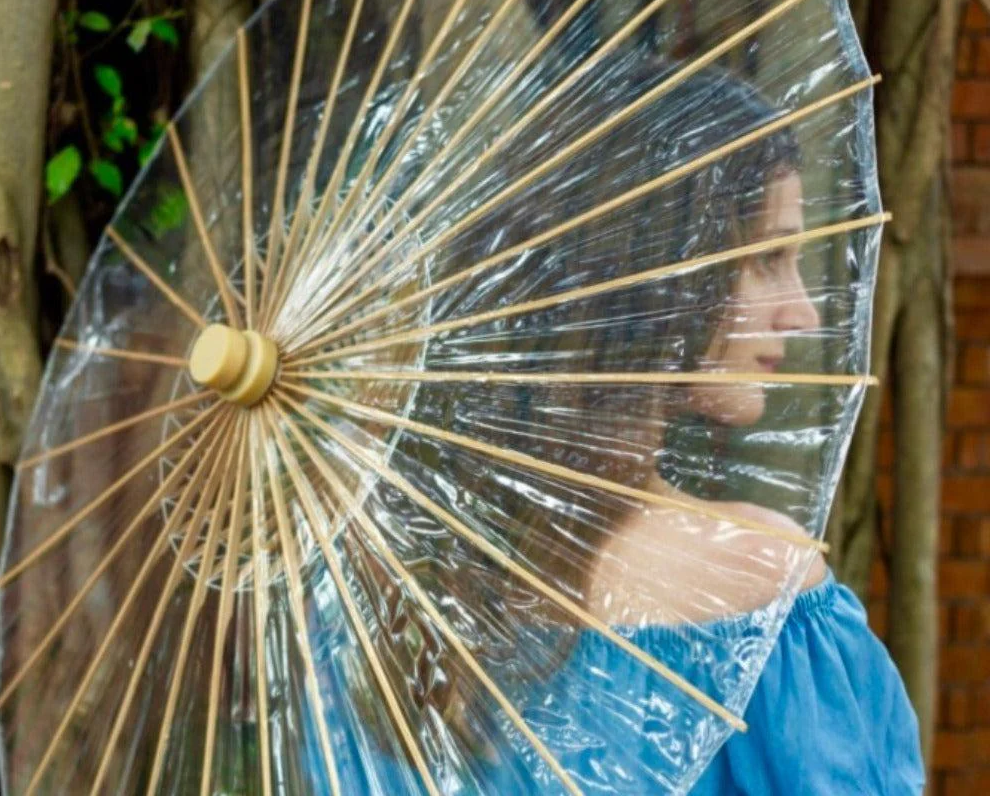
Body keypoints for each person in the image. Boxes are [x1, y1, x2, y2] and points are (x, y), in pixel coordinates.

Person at [303, 71, 926, 794]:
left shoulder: (388, 607)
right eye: (768, 259)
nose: (803, 312)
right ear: (661, 272)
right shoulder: (753, 580)